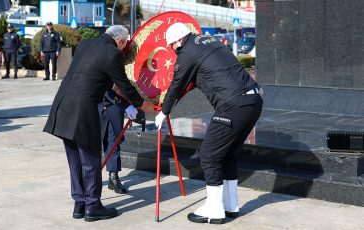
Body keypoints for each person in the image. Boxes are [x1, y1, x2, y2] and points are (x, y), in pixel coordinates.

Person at [155, 22, 263, 224]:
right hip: (253, 100)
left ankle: (214, 209)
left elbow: (177, 84)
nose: (172, 50)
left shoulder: (187, 51)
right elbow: (203, 76)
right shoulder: (208, 41)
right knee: (227, 153)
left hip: (234, 104)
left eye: (172, 46)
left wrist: (164, 111)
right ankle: (231, 206)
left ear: (179, 40)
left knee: (208, 155)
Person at [43, 25, 154, 222]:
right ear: (120, 41)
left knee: (74, 158)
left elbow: (94, 75)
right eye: (125, 44)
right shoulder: (112, 54)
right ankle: (93, 206)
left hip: (62, 106)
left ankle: (79, 204)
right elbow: (124, 85)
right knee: (90, 159)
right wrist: (142, 104)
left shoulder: (85, 45)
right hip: (82, 110)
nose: (125, 48)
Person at [98, 89, 137, 194]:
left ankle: (113, 175)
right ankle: (91, 177)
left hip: (115, 104)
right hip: (95, 102)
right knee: (94, 142)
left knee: (114, 140)